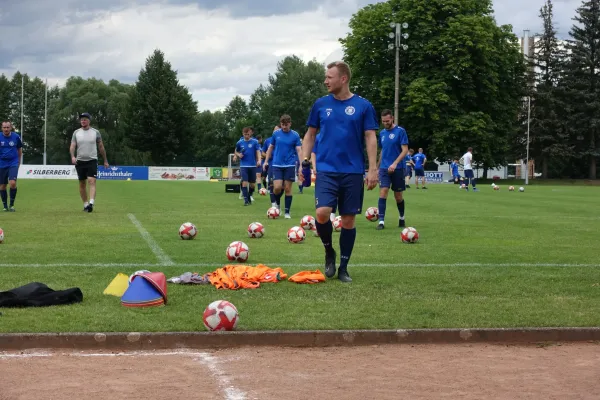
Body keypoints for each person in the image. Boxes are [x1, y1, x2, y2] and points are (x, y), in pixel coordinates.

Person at [300, 61, 379, 283]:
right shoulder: (320, 104)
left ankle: (343, 267)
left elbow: (371, 137)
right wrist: (304, 161)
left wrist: (372, 169)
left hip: (352, 171)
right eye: (326, 77)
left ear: (343, 79)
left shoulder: (363, 106)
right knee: (322, 213)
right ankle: (328, 251)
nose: (325, 81)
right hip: (326, 169)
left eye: (329, 77)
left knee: (348, 220)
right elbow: (310, 134)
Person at [376, 109, 408, 230]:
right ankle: (381, 221)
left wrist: (394, 163)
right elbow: (382, 151)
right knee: (383, 192)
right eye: (383, 121)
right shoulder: (382, 133)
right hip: (384, 168)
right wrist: (377, 167)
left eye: (387, 121)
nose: (385, 123)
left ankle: (401, 217)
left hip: (398, 168)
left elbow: (405, 150)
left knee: (398, 196)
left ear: (392, 118)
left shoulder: (400, 131)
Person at [70, 112, 109, 212]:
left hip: (92, 160)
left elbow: (101, 147)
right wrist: (73, 156)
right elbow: (72, 146)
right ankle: (85, 204)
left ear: (89, 120)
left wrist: (105, 160)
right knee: (82, 183)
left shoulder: (95, 132)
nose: (83, 121)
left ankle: (91, 203)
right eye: (81, 119)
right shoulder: (76, 133)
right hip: (80, 161)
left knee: (92, 181)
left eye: (85, 119)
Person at [264, 115, 301, 218]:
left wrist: (301, 164)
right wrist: (266, 161)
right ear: (280, 124)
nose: (284, 127)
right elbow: (270, 148)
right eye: (282, 125)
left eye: (286, 125)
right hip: (276, 164)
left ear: (290, 123)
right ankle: (277, 205)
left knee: (288, 188)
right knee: (277, 187)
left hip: (290, 164)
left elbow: (299, 150)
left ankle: (287, 212)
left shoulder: (295, 135)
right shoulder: (276, 134)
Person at [311, 134, 337, 221]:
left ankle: (332, 215)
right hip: (322, 171)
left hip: (338, 169)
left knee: (336, 194)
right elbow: (313, 152)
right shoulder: (318, 137)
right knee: (323, 196)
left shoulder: (338, 135)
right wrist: (314, 167)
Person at [234, 127, 261, 206]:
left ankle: (249, 196)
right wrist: (239, 155)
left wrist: (259, 160)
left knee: (252, 184)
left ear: (251, 133)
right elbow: (236, 150)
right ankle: (246, 200)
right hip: (244, 166)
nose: (246, 136)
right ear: (243, 134)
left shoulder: (255, 142)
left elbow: (258, 151)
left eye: (248, 134)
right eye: (245, 134)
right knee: (244, 182)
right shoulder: (240, 142)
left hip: (253, 165)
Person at [0, 121, 22, 211]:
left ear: (11, 127)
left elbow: (19, 150)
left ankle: (11, 205)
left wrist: (19, 162)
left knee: (12, 183)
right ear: (2, 128)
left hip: (13, 162)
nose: (6, 129)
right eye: (4, 127)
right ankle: (5, 206)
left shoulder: (16, 137)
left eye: (7, 127)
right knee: (2, 186)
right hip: (2, 163)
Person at [262, 126, 278, 206]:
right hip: (272, 165)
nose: (276, 132)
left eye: (277, 130)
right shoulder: (268, 140)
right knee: (271, 184)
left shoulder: (283, 139)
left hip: (282, 165)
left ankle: (277, 203)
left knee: (280, 187)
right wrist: (267, 156)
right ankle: (273, 204)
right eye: (275, 130)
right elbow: (263, 152)